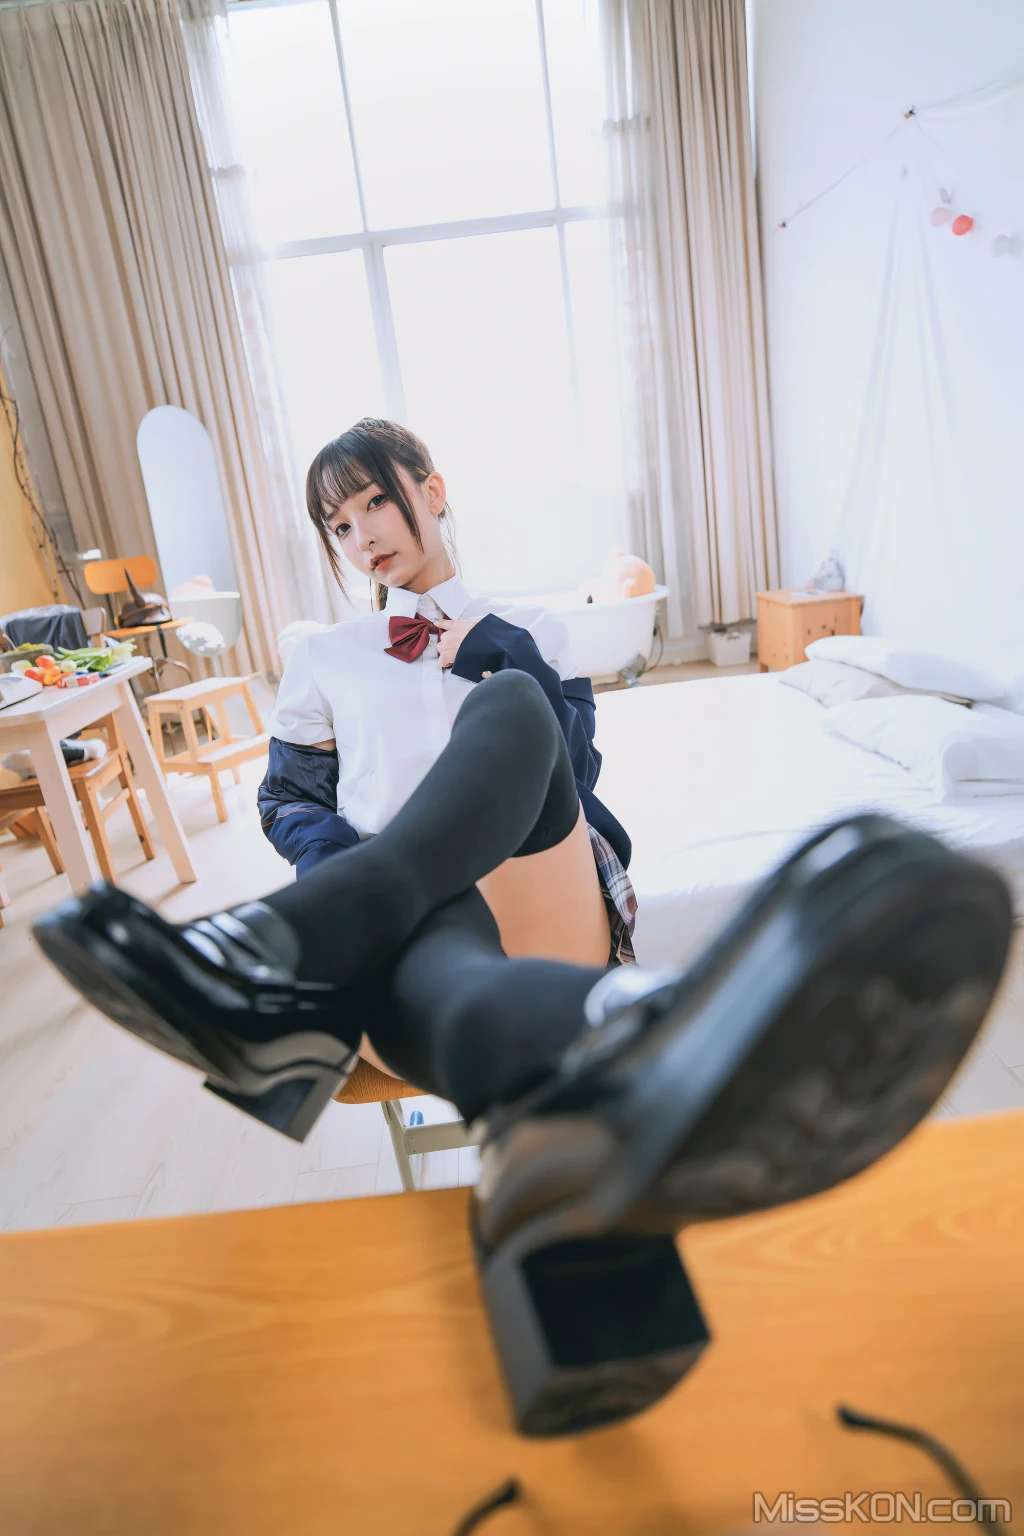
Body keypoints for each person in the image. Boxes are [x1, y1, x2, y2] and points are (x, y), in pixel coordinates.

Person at [32, 420, 1012, 1294]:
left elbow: (574, 771)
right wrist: (339, 864)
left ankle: (278, 951)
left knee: (513, 702)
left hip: (538, 887)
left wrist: (500, 652)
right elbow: (289, 799)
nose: (362, 532)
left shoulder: (533, 631)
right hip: (413, 934)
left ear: (431, 489)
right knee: (447, 963)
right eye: (338, 523)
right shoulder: (325, 656)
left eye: (375, 501)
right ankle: (650, 1028)